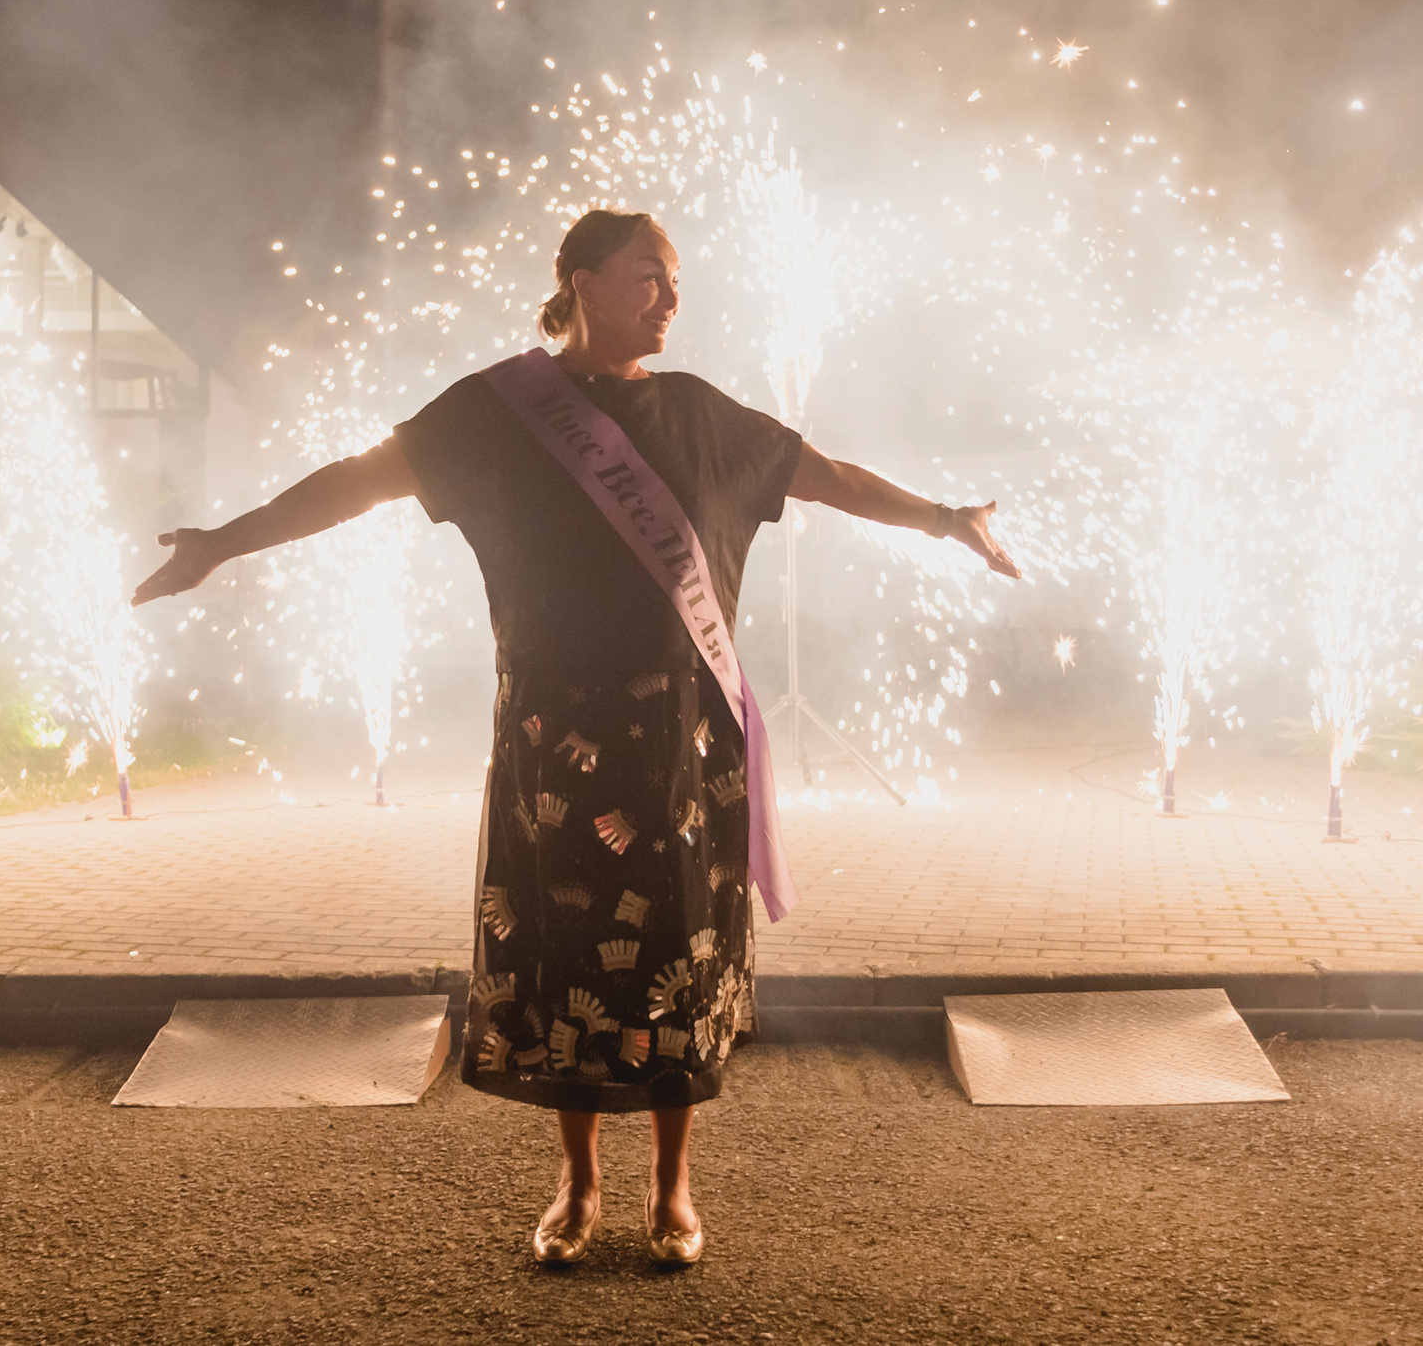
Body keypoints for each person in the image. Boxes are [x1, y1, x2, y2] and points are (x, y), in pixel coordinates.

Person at [134, 208, 1019, 1267]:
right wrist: (221, 543)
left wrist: (946, 518)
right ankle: (579, 1177)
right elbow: (360, 478)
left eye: (674, 278)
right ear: (581, 281)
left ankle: (673, 1182)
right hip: (554, 733)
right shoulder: (497, 410)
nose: (669, 296)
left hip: (681, 737)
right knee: (568, 948)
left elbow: (827, 476)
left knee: (676, 949)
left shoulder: (700, 415)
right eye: (648, 273)